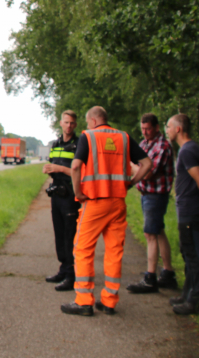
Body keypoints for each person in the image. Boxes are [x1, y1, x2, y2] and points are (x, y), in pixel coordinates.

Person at [61, 106, 152, 316]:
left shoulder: (88, 137)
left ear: (92, 121)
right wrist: (131, 183)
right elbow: (147, 163)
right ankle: (109, 301)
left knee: (83, 249)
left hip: (94, 202)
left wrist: (78, 192)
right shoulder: (124, 137)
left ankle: (84, 301)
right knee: (114, 251)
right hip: (118, 202)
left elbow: (75, 167)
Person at [165, 114, 199, 315]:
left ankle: (196, 300)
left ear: (178, 129)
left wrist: (190, 196)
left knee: (194, 255)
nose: (167, 130)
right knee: (187, 252)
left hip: (190, 211)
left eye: (169, 127)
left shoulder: (187, 151)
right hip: (190, 210)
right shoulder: (193, 149)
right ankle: (187, 294)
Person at [126, 113, 178, 294]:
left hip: (156, 196)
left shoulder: (162, 146)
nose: (145, 132)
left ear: (157, 128)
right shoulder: (144, 144)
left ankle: (150, 278)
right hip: (146, 194)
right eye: (143, 129)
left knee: (150, 234)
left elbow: (147, 173)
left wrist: (135, 165)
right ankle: (168, 273)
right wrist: (137, 165)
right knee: (158, 230)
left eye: (148, 129)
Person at [42, 110, 80, 291]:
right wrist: (50, 170)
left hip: (71, 195)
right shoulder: (55, 144)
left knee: (70, 235)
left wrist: (59, 168)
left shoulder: (79, 144)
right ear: (61, 123)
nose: (69, 126)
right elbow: (54, 164)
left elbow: (80, 171)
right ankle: (63, 269)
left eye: (72, 123)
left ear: (76, 125)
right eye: (66, 122)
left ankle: (72, 274)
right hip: (57, 193)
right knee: (59, 234)